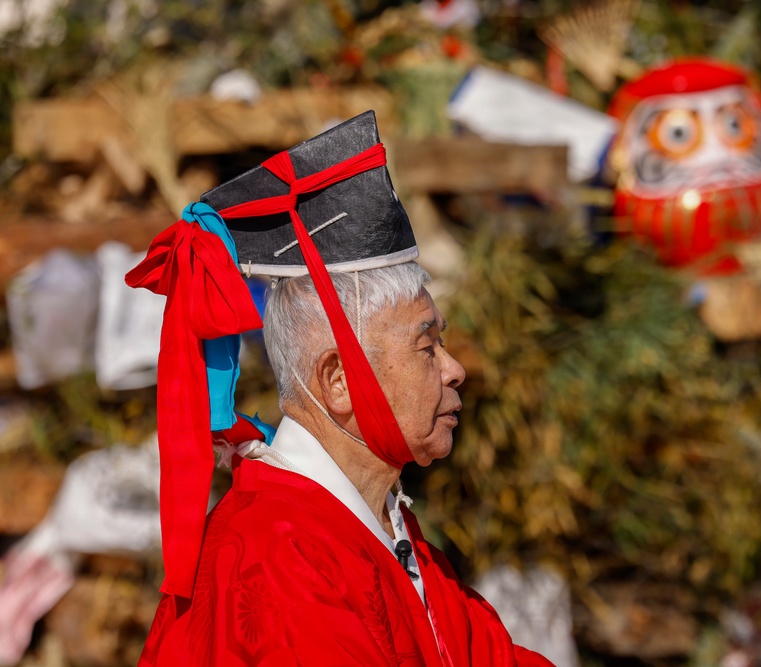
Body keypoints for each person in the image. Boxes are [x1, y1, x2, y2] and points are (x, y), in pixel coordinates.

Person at [127, 111, 555, 666]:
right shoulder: (278, 550)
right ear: (339, 381)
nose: (455, 370)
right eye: (426, 348)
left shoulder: (381, 525)